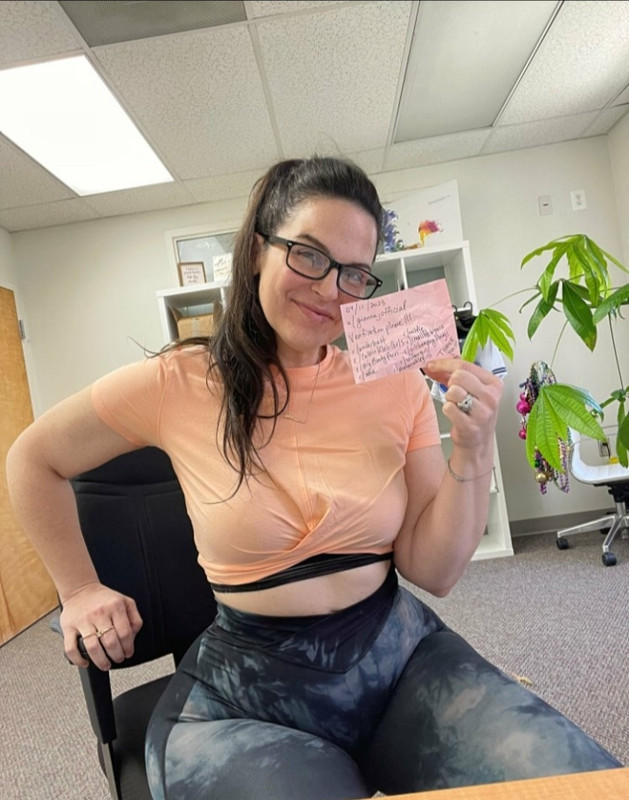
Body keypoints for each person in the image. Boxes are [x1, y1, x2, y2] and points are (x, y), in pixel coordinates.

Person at [6, 157, 620, 800]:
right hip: (246, 693)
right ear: (256, 252)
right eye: (308, 254)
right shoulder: (178, 383)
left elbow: (434, 571)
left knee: (580, 785)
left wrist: (472, 449)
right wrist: (78, 589)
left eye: (354, 272)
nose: (330, 289)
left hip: (397, 657)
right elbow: (31, 459)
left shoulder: (394, 383)